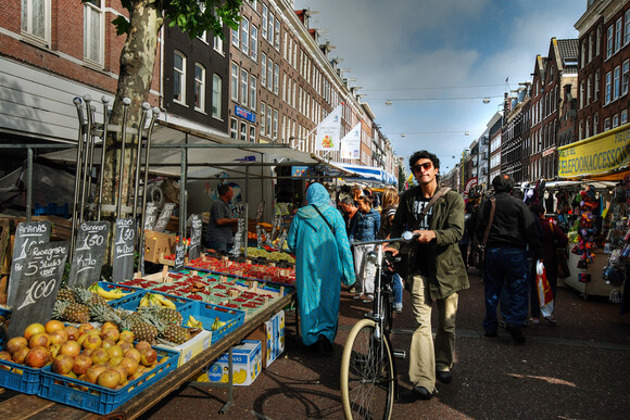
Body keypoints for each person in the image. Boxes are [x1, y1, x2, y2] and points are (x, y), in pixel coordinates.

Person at [387, 150, 469, 401]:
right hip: (418, 269)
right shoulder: (408, 197)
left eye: (426, 166)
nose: (422, 171)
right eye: (417, 168)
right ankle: (423, 379)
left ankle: (443, 363)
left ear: (435, 169)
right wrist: (394, 245)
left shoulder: (453, 198)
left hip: (446, 271)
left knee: (447, 324)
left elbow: (456, 231)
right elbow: (399, 227)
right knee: (422, 325)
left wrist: (434, 234)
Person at [287, 183, 356, 354]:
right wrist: (349, 274)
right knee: (329, 300)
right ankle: (326, 337)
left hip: (307, 267)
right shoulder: (335, 214)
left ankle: (310, 339)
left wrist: (303, 248)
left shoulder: (300, 215)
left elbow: (291, 244)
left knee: (308, 299)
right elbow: (343, 245)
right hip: (330, 267)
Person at [475, 174, 542, 344]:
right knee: (518, 288)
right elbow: (530, 228)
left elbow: (478, 227)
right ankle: (514, 321)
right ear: (512, 188)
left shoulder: (487, 204)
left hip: (492, 251)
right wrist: (537, 250)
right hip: (515, 252)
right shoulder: (519, 204)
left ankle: (490, 326)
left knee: (492, 290)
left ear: (494, 187)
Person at [529, 203, 568, 325]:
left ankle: (535, 315)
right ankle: (549, 313)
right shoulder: (549, 226)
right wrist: (553, 245)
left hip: (533, 260)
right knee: (550, 287)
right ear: (542, 213)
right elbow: (564, 240)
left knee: (534, 288)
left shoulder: (529, 226)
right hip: (549, 261)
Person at [349, 194, 381, 303]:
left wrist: (378, 245)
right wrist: (351, 240)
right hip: (358, 243)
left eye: (360, 204)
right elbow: (354, 228)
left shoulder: (376, 215)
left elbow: (379, 230)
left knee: (370, 269)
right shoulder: (358, 214)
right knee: (358, 269)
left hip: (371, 244)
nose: (358, 206)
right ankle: (359, 291)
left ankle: (369, 292)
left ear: (367, 204)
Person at [378, 187, 404, 313]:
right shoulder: (389, 210)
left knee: (394, 274)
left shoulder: (391, 212)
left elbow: (394, 229)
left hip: (389, 247)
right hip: (386, 246)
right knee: (385, 273)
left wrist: (385, 243)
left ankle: (398, 302)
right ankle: (388, 298)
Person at [205, 184, 238, 253]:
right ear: (226, 193)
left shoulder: (225, 204)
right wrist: (234, 220)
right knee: (220, 259)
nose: (233, 194)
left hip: (223, 239)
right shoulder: (218, 204)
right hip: (218, 239)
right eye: (231, 192)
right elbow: (219, 221)